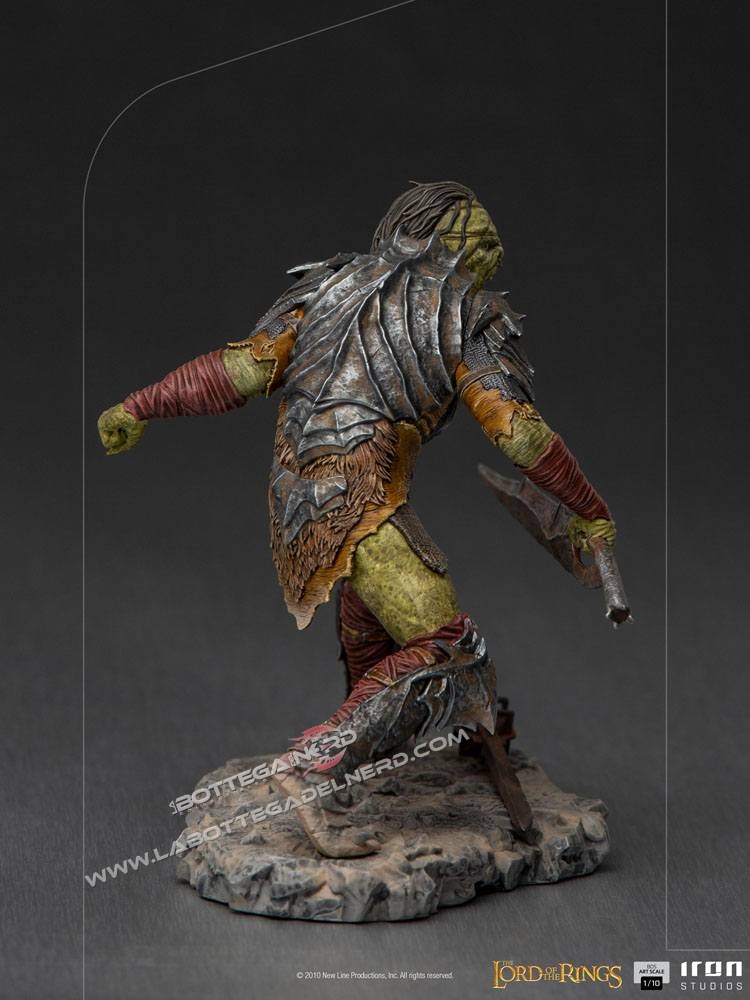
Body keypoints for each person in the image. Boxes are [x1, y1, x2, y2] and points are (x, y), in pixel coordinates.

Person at [98, 181, 616, 856]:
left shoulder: (329, 284)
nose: (493, 254)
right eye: (482, 241)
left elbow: (239, 370)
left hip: (297, 507)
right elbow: (517, 432)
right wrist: (590, 509)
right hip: (364, 502)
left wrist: (139, 404)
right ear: (442, 240)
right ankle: (311, 772)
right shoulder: (464, 309)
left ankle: (393, 755)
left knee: (382, 640)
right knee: (452, 651)